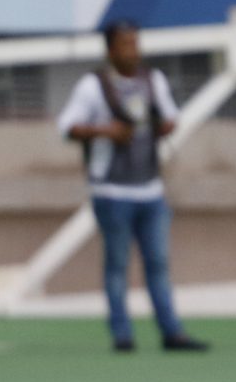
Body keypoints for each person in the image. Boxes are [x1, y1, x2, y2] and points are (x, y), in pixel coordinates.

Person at [57, 21, 208, 355]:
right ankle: (122, 334)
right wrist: (107, 132)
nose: (133, 51)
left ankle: (171, 332)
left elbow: (171, 116)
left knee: (158, 263)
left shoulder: (152, 80)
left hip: (150, 189)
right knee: (117, 264)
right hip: (111, 191)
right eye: (125, 45)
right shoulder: (93, 86)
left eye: (136, 43)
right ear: (111, 49)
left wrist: (164, 125)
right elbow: (67, 127)